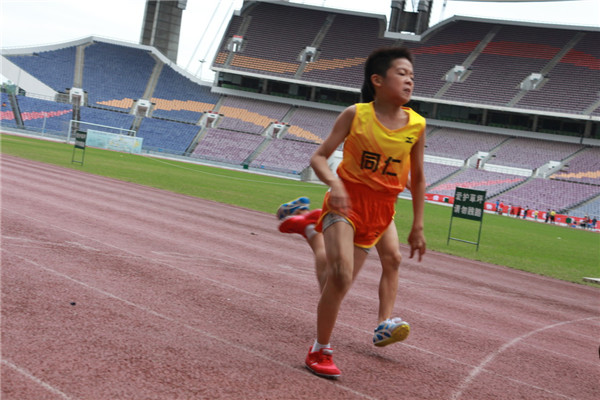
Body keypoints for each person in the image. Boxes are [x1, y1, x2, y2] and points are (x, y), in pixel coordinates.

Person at [288, 47, 426, 379]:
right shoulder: (356, 114)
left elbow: (418, 178)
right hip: (345, 202)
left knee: (336, 282)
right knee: (341, 276)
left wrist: (418, 225)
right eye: (401, 73)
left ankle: (309, 232)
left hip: (381, 213)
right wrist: (334, 184)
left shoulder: (418, 125)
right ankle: (320, 350)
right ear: (377, 80)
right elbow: (319, 157)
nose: (409, 80)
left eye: (411, 75)